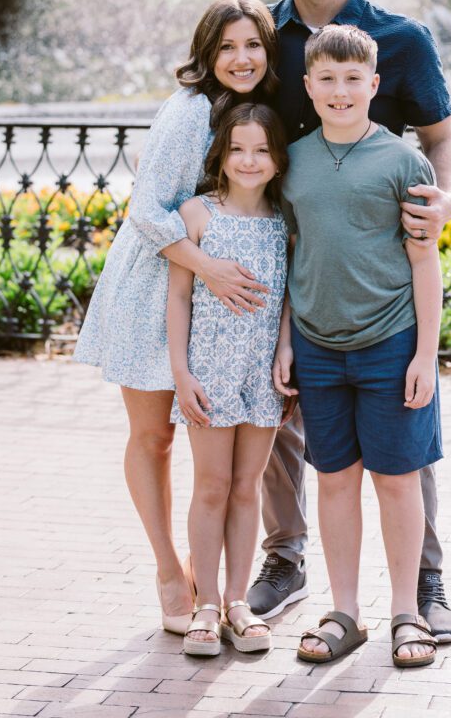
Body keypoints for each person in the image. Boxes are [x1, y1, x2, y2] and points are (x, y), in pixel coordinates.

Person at [248, 0, 451, 644]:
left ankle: (422, 584)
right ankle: (288, 559)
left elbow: (443, 137)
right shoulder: (260, 39)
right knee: (284, 420)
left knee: (402, 450)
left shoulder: (399, 40)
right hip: (290, 268)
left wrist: (447, 201)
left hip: (384, 272)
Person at [74, 0, 279, 633]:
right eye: (227, 47)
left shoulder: (254, 115)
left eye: (252, 46)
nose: (241, 59)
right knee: (154, 435)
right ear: (206, 52)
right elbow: (145, 210)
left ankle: (212, 575)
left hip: (213, 300)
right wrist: (209, 265)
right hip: (155, 280)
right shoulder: (189, 111)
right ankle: (169, 568)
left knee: (211, 443)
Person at [273, 23, 443, 668]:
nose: (340, 91)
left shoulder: (403, 161)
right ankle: (346, 611)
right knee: (335, 482)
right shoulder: (295, 162)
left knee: (398, 482)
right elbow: (292, 257)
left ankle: (407, 613)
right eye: (327, 80)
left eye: (353, 80)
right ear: (309, 86)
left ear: (373, 85)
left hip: (391, 345)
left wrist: (425, 354)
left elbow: (425, 263)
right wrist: (287, 339)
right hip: (317, 347)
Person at [167, 104, 289, 657]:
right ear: (221, 153)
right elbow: (178, 296)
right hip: (210, 371)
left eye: (261, 149)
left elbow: (289, 298)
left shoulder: (285, 220)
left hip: (261, 373)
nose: (248, 159)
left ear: (278, 157)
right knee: (212, 487)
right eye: (238, 148)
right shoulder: (198, 215)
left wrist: (285, 350)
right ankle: (206, 605)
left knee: (247, 488)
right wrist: (181, 373)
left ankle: (239, 602)